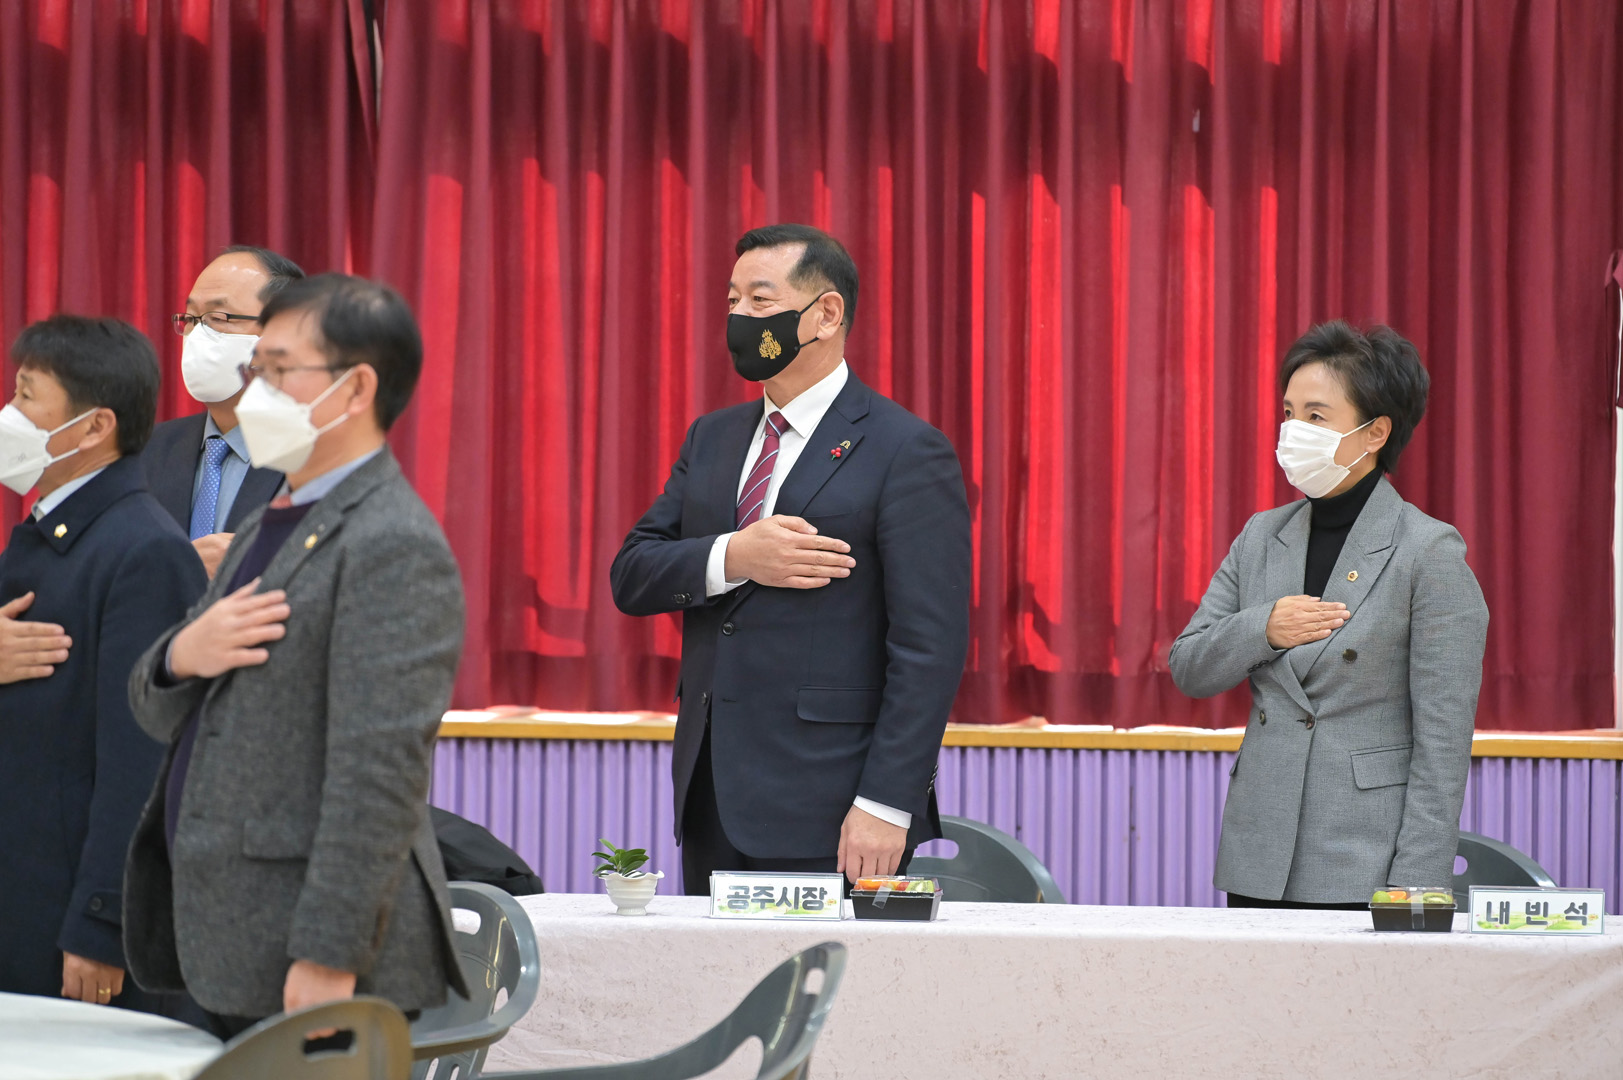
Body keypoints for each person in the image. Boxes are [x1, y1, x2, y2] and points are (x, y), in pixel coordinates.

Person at [122, 274, 469, 1036]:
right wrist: (181, 654)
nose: (256, 388)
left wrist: (328, 953)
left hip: (309, 954)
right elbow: (153, 703)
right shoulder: (270, 520)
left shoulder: (392, 541)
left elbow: (378, 775)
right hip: (226, 930)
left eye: (279, 369)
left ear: (356, 389)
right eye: (259, 367)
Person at [610, 224, 972, 893]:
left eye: (759, 300)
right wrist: (735, 555)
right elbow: (633, 574)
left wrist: (887, 803)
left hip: (834, 806)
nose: (739, 318)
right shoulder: (713, 438)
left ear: (825, 314)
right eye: (731, 301)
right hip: (711, 794)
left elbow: (930, 648)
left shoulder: (905, 449)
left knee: (827, 966)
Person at [1169, 321, 1488, 908]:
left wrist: (1417, 881)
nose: (1294, 431)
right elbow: (1189, 667)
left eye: (1316, 416)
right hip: (1258, 849)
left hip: (1364, 855)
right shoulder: (1261, 536)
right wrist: (1263, 628)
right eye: (1289, 413)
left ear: (1376, 432)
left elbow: (1443, 744)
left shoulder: (1427, 551)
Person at [0, 316, 206, 1007]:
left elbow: (143, 765)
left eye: (27, 396)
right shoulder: (47, 535)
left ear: (93, 428)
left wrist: (103, 922)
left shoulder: (144, 552)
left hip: (65, 925)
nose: (11, 414)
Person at [143, 245, 304, 578]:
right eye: (190, 319)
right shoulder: (147, 450)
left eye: (217, 319)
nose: (196, 335)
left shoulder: (318, 457)